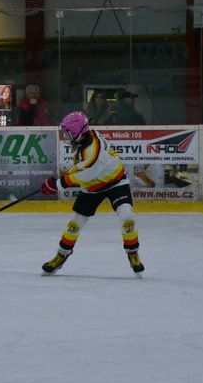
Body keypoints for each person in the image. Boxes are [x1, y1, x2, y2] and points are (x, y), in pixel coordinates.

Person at [39, 111, 145, 277]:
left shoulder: (92, 151)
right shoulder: (86, 137)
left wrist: (58, 184)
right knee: (76, 222)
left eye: (67, 132)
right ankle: (61, 254)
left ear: (77, 132)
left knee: (126, 215)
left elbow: (86, 173)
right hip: (92, 186)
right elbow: (82, 169)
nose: (65, 136)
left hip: (116, 182)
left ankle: (133, 252)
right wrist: (59, 180)